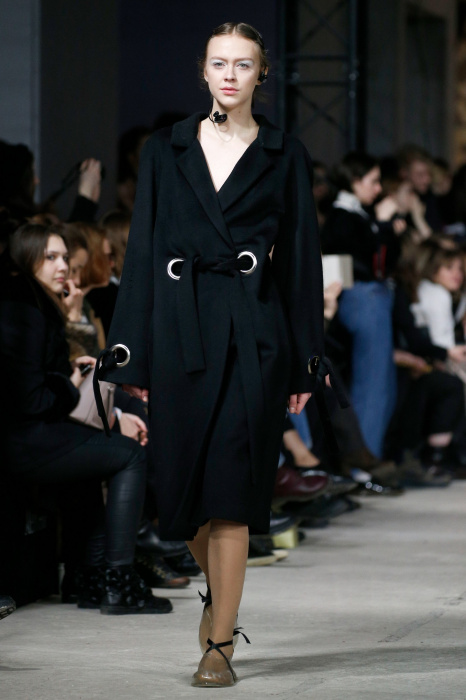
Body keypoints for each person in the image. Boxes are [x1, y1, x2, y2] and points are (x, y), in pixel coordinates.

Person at [98, 22, 325, 687]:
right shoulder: (167, 149)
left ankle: (219, 643)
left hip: (254, 333)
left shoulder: (284, 153)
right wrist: (131, 355)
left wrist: (306, 360)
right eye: (219, 63)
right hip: (180, 331)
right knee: (180, 497)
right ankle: (220, 596)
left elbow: (301, 264)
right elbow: (143, 252)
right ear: (203, 72)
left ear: (262, 74)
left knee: (232, 491)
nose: (230, 75)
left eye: (243, 64)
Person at [0, 223, 171, 615]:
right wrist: (70, 384)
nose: (62, 266)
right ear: (26, 259)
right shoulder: (22, 307)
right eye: (51, 257)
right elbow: (30, 398)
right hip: (21, 440)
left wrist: (67, 376)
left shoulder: (31, 302)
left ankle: (88, 577)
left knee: (101, 454)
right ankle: (117, 580)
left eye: (64, 257)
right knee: (129, 455)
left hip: (28, 434)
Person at [321, 152, 402, 458]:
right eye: (373, 181)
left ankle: (368, 459)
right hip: (362, 299)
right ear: (355, 181)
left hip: (369, 299)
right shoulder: (343, 217)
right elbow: (373, 264)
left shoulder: (353, 215)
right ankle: (363, 462)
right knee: (373, 384)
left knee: (381, 385)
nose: (378, 189)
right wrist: (382, 225)